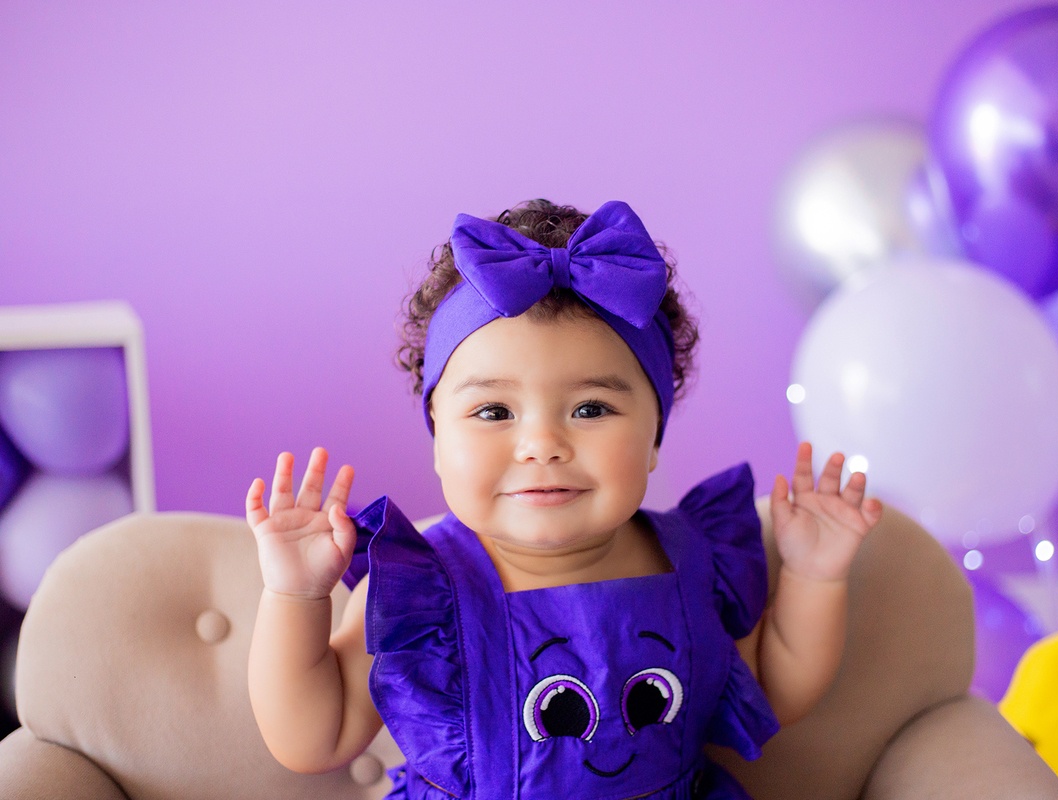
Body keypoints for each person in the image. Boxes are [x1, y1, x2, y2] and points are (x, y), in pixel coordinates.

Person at [246, 199, 883, 799]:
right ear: (438, 442)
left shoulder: (695, 562)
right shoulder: (421, 593)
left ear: (653, 438)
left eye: (590, 408)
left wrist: (813, 574)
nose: (542, 444)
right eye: (494, 410)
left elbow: (779, 686)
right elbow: (313, 738)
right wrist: (295, 595)